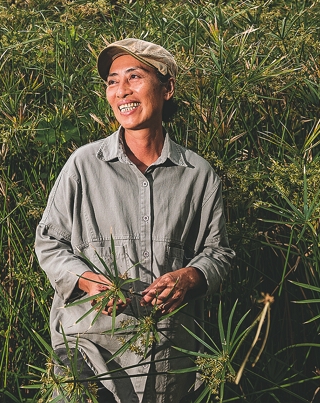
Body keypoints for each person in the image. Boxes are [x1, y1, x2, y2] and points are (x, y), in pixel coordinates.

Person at [35, 38, 235, 402]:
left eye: (134, 77)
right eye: (112, 81)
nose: (121, 91)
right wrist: (86, 280)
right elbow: (49, 242)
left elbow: (218, 252)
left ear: (167, 88)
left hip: (168, 356)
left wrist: (191, 276)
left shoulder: (199, 174)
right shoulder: (83, 165)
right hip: (88, 352)